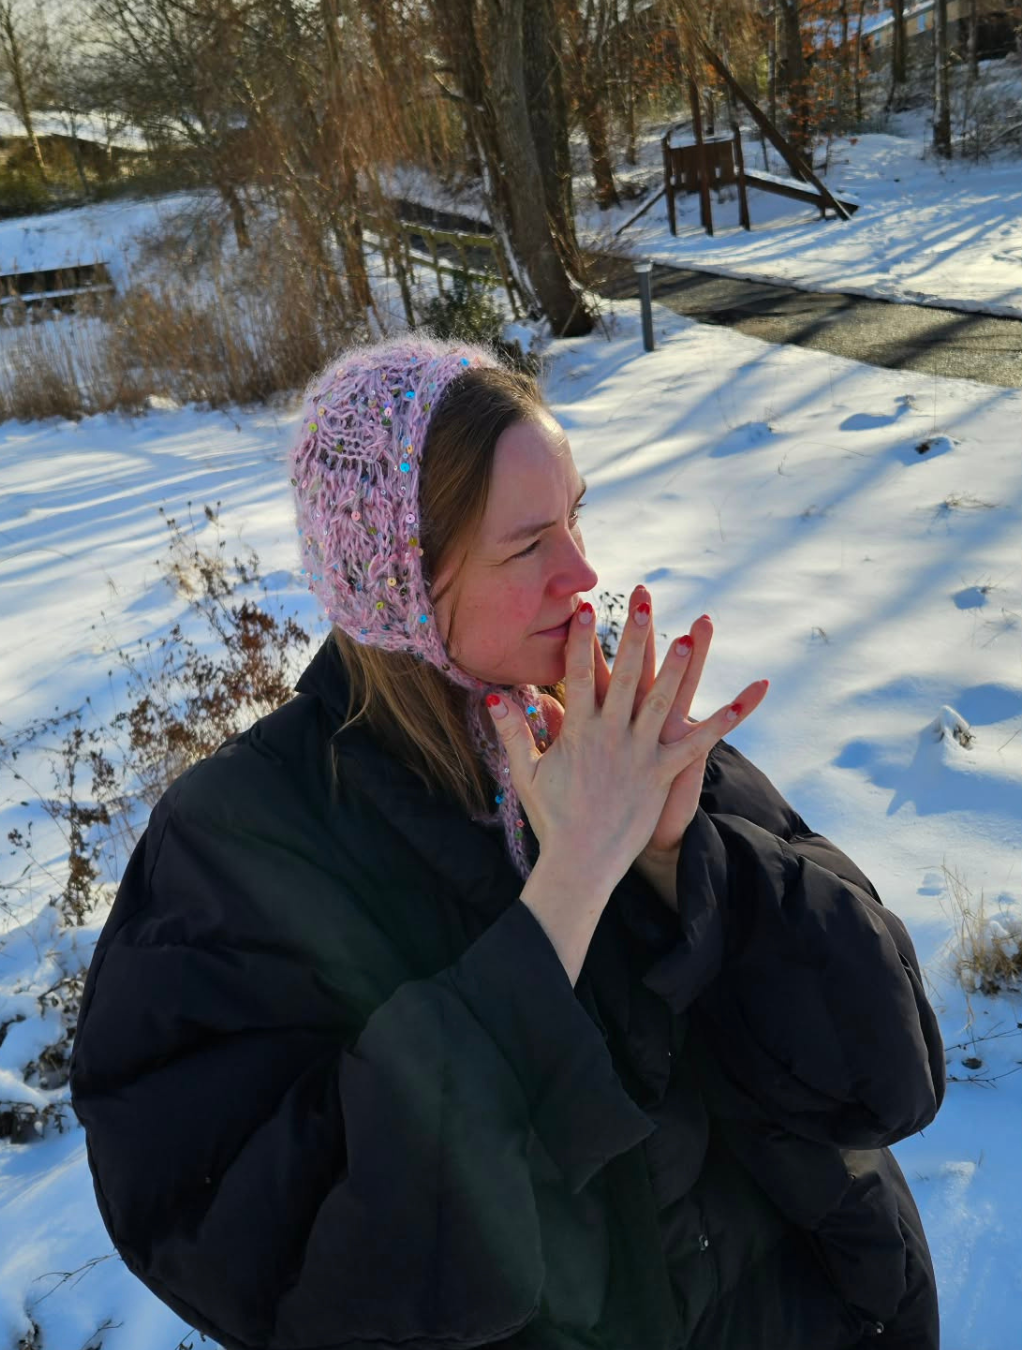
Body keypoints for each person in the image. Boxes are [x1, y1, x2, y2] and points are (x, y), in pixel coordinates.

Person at [70, 334, 945, 1350]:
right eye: (528, 546)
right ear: (401, 578)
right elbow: (312, 1279)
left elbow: (889, 1076)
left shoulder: (610, 725)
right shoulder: (239, 846)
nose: (583, 575)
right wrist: (565, 898)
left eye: (577, 517)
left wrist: (682, 859)